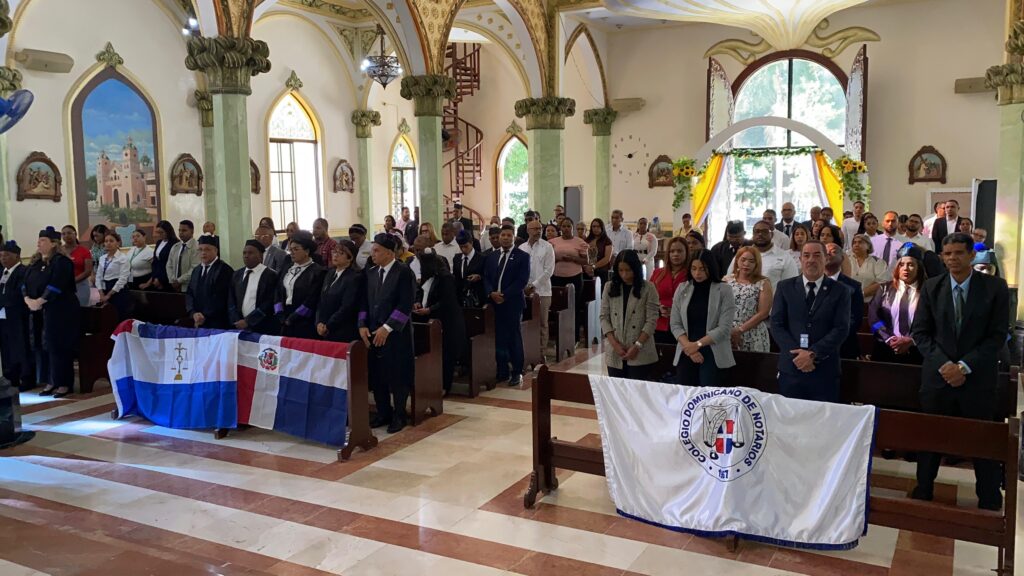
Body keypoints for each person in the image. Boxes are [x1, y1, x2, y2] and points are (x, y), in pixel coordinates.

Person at [911, 233, 1010, 511]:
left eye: (958, 253)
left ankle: (988, 495)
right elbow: (921, 332)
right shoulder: (932, 287)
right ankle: (924, 488)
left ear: (971, 256)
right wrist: (944, 365)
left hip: (977, 377)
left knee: (981, 439)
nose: (952, 258)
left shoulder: (994, 288)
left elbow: (997, 335)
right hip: (938, 377)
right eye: (947, 254)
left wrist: (964, 366)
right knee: (931, 436)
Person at [769, 240, 851, 402]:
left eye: (816, 255)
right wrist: (798, 355)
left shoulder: (840, 291)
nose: (811, 260)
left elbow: (841, 328)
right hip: (791, 367)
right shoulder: (785, 287)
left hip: (824, 369)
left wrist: (813, 354)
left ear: (826, 259)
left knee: (822, 423)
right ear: (800, 260)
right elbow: (777, 324)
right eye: (806, 255)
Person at [359, 233, 417, 433]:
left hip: (395, 335)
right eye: (372, 250)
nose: (372, 254)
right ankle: (383, 412)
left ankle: (399, 415)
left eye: (377, 251)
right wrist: (362, 325)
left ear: (389, 253)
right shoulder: (372, 272)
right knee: (378, 375)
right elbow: (364, 302)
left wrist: (387, 328)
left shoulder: (403, 272)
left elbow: (405, 305)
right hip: (373, 332)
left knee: (397, 375)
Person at [24, 227, 80, 398]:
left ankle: (63, 382)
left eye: (43, 241)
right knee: (43, 345)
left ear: (54, 243)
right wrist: (28, 299)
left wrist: (40, 301)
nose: (38, 244)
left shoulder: (62, 262)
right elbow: (24, 282)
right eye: (39, 240)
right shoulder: (36, 263)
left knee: (58, 345)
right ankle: (50, 381)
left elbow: (57, 284)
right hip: (40, 310)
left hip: (61, 310)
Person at [670, 249, 736, 386]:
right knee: (686, 399)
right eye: (693, 268)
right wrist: (689, 346)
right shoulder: (682, 288)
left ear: (710, 268)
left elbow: (724, 328)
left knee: (710, 399)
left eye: (702, 269)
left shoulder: (724, 290)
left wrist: (697, 345)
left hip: (713, 351)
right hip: (686, 350)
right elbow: (675, 324)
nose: (697, 273)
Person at [600, 250, 659, 379]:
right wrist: (615, 345)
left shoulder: (648, 288)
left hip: (641, 350)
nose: (624, 275)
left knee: (638, 394)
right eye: (621, 270)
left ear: (636, 269)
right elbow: (604, 317)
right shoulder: (609, 287)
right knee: (617, 393)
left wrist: (637, 345)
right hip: (616, 349)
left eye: (628, 270)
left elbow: (652, 320)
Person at [413, 252, 465, 395]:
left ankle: (444, 385)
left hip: (446, 322)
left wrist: (429, 309)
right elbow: (419, 291)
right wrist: (417, 302)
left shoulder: (445, 278)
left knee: (445, 355)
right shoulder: (426, 276)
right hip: (429, 321)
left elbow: (447, 301)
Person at [485, 225, 530, 386]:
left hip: (512, 303)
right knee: (499, 338)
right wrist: (491, 293)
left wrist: (504, 295)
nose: (505, 238)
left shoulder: (522, 256)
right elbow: (486, 278)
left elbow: (522, 281)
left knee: (514, 338)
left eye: (508, 235)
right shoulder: (492, 256)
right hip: (494, 303)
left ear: (513, 237)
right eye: (502, 235)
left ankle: (517, 371)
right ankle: (502, 371)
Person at [868, 247, 926, 364]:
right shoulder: (884, 289)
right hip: (886, 349)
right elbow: (873, 319)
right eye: (901, 264)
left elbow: (931, 322)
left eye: (910, 264)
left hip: (917, 351)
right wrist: (888, 338)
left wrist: (911, 340)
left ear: (919, 267)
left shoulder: (928, 291)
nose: (905, 269)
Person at [275, 231, 325, 339]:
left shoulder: (317, 271)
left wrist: (293, 318)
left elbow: (312, 299)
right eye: (290, 249)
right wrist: (280, 314)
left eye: (296, 249)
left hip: (304, 322)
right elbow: (278, 291)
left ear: (307, 251)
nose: (292, 252)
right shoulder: (287, 267)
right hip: (284, 319)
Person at [0, 241, 34, 391]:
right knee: (7, 347)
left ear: (16, 256)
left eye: (6, 255)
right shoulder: (2, 272)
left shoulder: (23, 271)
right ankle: (10, 376)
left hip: (18, 315)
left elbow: (19, 293)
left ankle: (25, 377)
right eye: (1, 256)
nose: (3, 258)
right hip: (3, 316)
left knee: (21, 346)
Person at [727, 220, 797, 291]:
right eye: (757, 231)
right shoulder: (742, 254)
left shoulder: (785, 257)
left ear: (771, 235)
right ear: (753, 234)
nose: (760, 234)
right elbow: (729, 278)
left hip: (772, 301)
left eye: (764, 231)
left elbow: (791, 286)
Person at [725, 246, 772, 353]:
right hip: (727, 332)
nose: (746, 264)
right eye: (743, 260)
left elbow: (763, 313)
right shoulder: (726, 280)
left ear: (756, 263)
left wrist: (740, 330)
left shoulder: (763, 283)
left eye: (751, 261)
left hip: (753, 333)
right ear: (737, 260)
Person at [229, 240, 281, 335]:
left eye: (251, 253)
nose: (246, 255)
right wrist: (237, 320)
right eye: (244, 253)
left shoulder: (270, 275)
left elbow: (269, 302)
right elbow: (231, 299)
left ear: (261, 256)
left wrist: (249, 321)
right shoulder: (237, 274)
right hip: (239, 326)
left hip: (262, 327)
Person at [519, 218, 555, 356]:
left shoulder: (547, 247)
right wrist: (524, 287)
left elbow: (549, 271)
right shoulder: (522, 248)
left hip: (543, 292)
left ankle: (541, 354)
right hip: (524, 291)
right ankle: (527, 352)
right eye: (535, 229)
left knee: (542, 323)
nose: (538, 231)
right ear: (528, 230)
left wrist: (533, 286)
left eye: (540, 228)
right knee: (526, 323)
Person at [315, 240, 362, 342]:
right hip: (325, 329)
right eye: (334, 252)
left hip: (342, 330)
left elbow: (347, 307)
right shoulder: (330, 273)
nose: (335, 255)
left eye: (340, 253)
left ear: (350, 258)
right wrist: (319, 322)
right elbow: (321, 301)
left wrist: (328, 325)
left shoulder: (354, 277)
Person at [825, 242, 865, 360]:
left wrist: (833, 337)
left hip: (844, 346)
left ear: (842, 258)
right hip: (815, 345)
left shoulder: (853, 287)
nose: (828, 254)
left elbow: (855, 319)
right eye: (825, 252)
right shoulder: (810, 283)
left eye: (833, 251)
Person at [186, 235, 233, 330]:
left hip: (217, 322)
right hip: (197, 320)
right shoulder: (196, 270)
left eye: (207, 249)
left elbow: (221, 297)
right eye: (200, 250)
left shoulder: (224, 270)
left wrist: (204, 316)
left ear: (216, 251)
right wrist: (193, 312)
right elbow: (190, 293)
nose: (203, 253)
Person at [651, 237, 688, 346]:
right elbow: (648, 298)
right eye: (672, 251)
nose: (675, 254)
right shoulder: (657, 273)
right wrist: (658, 308)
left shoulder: (692, 275)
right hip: (659, 324)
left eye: (679, 251)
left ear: (686, 252)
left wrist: (676, 312)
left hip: (683, 327)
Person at [95, 232, 131, 319]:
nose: (108, 243)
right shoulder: (102, 258)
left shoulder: (123, 258)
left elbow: (123, 279)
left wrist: (109, 295)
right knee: (107, 317)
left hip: (117, 290)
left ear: (118, 243)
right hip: (104, 288)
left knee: (118, 316)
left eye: (111, 241)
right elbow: (98, 276)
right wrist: (101, 293)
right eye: (106, 241)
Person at [848, 233, 890, 303]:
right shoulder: (847, 260)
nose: (856, 244)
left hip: (868, 304)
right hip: (847, 302)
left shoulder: (877, 262)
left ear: (868, 246)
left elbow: (881, 283)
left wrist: (860, 294)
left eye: (860, 242)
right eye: (854, 243)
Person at [61, 225, 93, 306]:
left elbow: (88, 271)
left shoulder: (84, 251)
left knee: (80, 311)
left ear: (75, 234)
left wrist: (72, 281)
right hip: (63, 286)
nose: (66, 236)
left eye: (69, 233)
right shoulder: (59, 251)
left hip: (80, 286)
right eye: (63, 234)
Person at [452, 231, 485, 307]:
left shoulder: (482, 258)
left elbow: (487, 276)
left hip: (476, 299)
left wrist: (479, 277)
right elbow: (456, 278)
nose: (463, 249)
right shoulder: (457, 258)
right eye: (461, 247)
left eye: (466, 246)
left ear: (471, 243)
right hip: (460, 300)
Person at [167, 220, 198, 293]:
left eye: (184, 230)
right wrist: (172, 280)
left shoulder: (197, 247)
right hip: (174, 286)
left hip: (189, 286)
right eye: (179, 230)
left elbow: (194, 268)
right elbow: (169, 265)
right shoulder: (175, 247)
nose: (181, 233)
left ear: (192, 231)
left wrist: (179, 281)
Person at [151, 220, 179, 291]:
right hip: (157, 277)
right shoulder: (159, 242)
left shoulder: (175, 243)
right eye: (158, 232)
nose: (159, 235)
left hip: (167, 278)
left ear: (168, 231)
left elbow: (170, 264)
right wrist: (155, 277)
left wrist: (161, 280)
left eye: (161, 232)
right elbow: (155, 262)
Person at [587, 218, 614, 284]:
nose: (596, 228)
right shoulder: (587, 240)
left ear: (602, 227)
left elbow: (607, 258)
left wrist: (594, 266)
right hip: (588, 271)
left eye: (598, 226)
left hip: (602, 271)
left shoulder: (607, 241)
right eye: (594, 226)